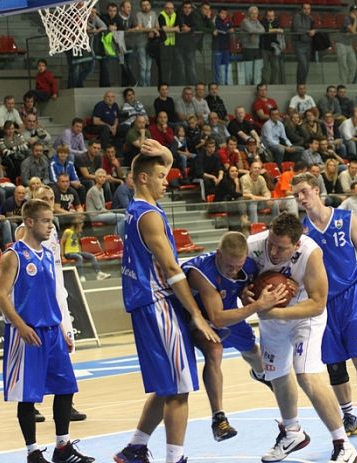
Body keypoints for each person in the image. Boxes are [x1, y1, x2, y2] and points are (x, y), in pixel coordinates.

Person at [114, 139, 219, 463]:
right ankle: (176, 458)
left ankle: (135, 448)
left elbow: (162, 165)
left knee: (166, 384)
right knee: (178, 388)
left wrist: (167, 155)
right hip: (158, 303)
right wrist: (196, 314)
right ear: (143, 179)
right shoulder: (149, 216)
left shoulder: (138, 209)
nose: (167, 181)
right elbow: (173, 271)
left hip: (147, 303)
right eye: (161, 177)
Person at [247, 213, 357, 463]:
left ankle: (344, 444)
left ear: (296, 244)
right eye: (271, 243)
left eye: (281, 248)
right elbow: (238, 282)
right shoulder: (253, 246)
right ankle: (292, 432)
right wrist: (245, 293)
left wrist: (276, 311)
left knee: (306, 375)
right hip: (271, 317)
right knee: (277, 374)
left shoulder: (311, 253)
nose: (274, 252)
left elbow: (318, 303)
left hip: (304, 316)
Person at [0, 199, 95, 463]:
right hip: (27, 334)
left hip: (52, 331)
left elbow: (52, 296)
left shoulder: (49, 255)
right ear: (29, 222)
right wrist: (21, 325)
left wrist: (62, 328)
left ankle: (63, 447)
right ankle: (33, 453)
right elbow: (0, 295)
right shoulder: (13, 255)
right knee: (28, 396)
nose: (51, 226)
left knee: (66, 388)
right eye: (46, 221)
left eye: (51, 221)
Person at [293, 172, 357, 439]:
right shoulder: (301, 231)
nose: (300, 198)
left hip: (352, 296)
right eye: (296, 195)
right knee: (335, 364)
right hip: (322, 303)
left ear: (316, 190)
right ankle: (348, 416)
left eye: (304, 191)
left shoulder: (346, 219)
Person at [178, 233, 286, 441]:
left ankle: (260, 374)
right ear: (218, 254)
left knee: (254, 353)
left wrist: (248, 293)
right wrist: (257, 305)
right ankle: (219, 420)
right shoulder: (202, 273)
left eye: (238, 266)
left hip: (228, 313)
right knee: (214, 351)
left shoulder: (248, 266)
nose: (234, 270)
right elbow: (217, 319)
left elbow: (249, 290)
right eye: (229, 266)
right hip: (198, 319)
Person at [336, 5, 357, 84]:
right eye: (353, 12)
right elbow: (353, 30)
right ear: (350, 12)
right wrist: (355, 21)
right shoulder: (346, 18)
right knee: (343, 64)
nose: (355, 13)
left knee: (354, 63)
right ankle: (343, 83)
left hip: (349, 44)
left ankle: (349, 82)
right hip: (340, 43)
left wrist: (353, 32)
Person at [292, 3, 315, 84]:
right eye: (305, 8)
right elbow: (297, 29)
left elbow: (313, 28)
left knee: (306, 66)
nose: (307, 10)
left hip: (308, 44)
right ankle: (300, 83)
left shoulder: (311, 18)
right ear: (302, 9)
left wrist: (314, 31)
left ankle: (301, 83)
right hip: (298, 43)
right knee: (303, 64)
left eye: (309, 8)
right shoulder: (297, 16)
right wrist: (308, 31)